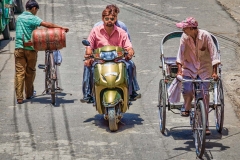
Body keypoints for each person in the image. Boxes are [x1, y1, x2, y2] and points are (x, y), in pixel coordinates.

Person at [80, 5, 140, 103]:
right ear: (103, 19)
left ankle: (132, 90)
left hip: (118, 59)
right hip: (100, 59)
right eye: (107, 18)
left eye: (112, 19)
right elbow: (89, 45)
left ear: (116, 18)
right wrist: (88, 55)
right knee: (88, 66)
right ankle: (87, 93)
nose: (109, 21)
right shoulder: (96, 30)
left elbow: (128, 45)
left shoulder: (121, 31)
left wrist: (130, 52)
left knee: (131, 65)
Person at [14, 0, 69, 104]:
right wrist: (61, 28)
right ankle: (29, 94)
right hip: (30, 49)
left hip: (19, 48)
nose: (36, 12)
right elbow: (47, 24)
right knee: (30, 71)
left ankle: (19, 97)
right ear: (34, 8)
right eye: (36, 10)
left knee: (19, 73)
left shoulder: (19, 17)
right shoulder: (32, 17)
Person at [175, 17, 220, 135]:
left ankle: (205, 124)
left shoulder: (205, 36)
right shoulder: (184, 37)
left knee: (204, 94)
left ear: (191, 28)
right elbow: (180, 54)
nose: (183, 30)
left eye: (185, 28)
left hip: (205, 68)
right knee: (188, 89)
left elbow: (214, 54)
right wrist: (179, 70)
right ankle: (187, 106)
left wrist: (215, 72)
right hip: (189, 67)